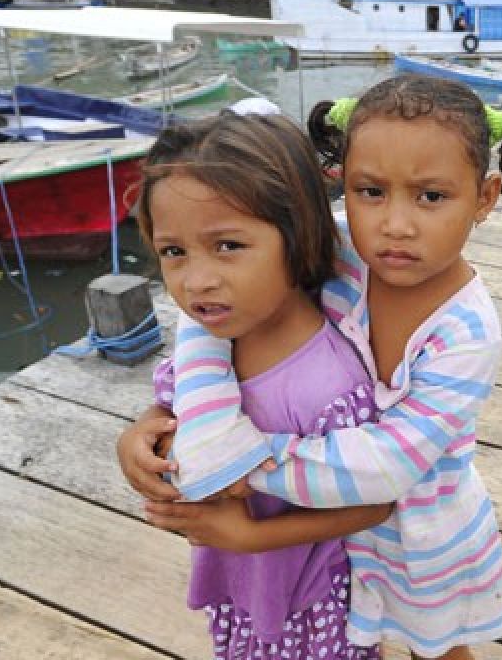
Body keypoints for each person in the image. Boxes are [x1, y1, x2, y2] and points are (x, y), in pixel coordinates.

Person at [119, 75, 502, 660]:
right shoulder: (339, 251)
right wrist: (158, 417)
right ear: (343, 185)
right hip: (321, 530)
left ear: (486, 197)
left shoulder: (466, 331)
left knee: (437, 649)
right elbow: (213, 311)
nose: (395, 223)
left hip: (417, 528)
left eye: (431, 197)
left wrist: (239, 462)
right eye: (371, 191)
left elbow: (390, 466)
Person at [123, 111, 392, 660]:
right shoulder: (214, 339)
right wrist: (138, 435)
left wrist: (246, 536)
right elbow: (173, 399)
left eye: (227, 246)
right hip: (241, 582)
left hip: (308, 604)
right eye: (174, 252)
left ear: (298, 237)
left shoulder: (328, 385)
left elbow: (374, 505)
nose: (196, 281)